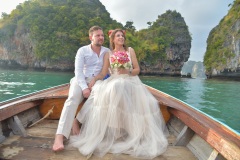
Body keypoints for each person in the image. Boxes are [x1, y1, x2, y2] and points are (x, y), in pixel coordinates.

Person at [69, 29, 168, 159]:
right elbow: (104, 73)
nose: (121, 37)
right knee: (104, 89)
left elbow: (137, 69)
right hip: (114, 80)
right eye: (118, 36)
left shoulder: (130, 50)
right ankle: (85, 122)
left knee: (127, 90)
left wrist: (128, 72)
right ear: (113, 39)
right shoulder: (108, 54)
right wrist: (94, 79)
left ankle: (126, 130)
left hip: (131, 80)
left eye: (122, 36)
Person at [52, 26, 110, 151]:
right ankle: (59, 137)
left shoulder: (107, 51)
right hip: (81, 79)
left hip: (97, 81)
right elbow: (78, 72)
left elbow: (106, 70)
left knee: (99, 97)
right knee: (72, 99)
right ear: (91, 37)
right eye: (97, 35)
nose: (101, 37)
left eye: (102, 35)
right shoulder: (82, 50)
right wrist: (84, 88)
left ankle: (76, 120)